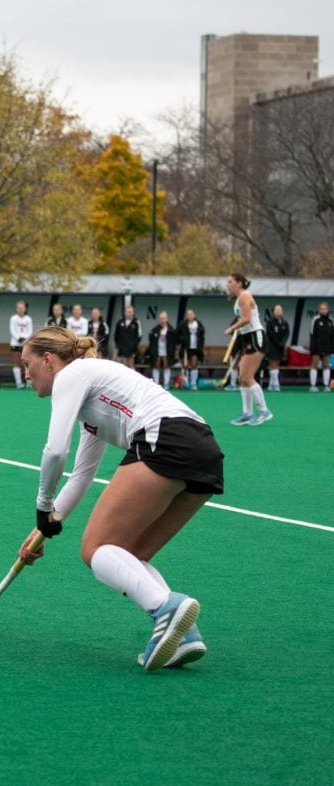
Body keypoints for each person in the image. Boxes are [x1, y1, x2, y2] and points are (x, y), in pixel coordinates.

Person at [17, 326, 223, 672]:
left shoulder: (73, 375)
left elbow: (55, 451)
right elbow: (81, 475)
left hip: (164, 437)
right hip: (203, 449)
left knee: (94, 548)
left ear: (48, 360)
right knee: (128, 555)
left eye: (27, 363)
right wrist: (47, 524)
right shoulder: (91, 401)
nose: (26, 374)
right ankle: (184, 635)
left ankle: (166, 608)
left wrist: (42, 505)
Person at [223, 274, 272, 424]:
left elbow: (246, 319)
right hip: (247, 338)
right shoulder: (239, 299)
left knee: (247, 377)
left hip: (255, 337)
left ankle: (264, 411)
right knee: (242, 378)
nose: (228, 285)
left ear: (239, 283)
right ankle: (247, 413)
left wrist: (231, 328)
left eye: (230, 282)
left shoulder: (245, 296)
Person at [177, 308, 205, 391]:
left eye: (191, 314)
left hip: (195, 348)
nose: (190, 316)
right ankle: (185, 383)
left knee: (194, 365)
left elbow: (202, 336)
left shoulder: (198, 324)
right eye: (188, 314)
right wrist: (182, 341)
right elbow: (177, 335)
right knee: (185, 366)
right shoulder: (182, 325)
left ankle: (193, 384)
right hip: (185, 348)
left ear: (194, 315)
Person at [308, 302, 333, 393]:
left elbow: (332, 336)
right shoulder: (315, 320)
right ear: (319, 310)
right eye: (321, 309)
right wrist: (312, 348)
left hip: (327, 348)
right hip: (317, 348)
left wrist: (332, 348)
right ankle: (313, 385)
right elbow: (312, 335)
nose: (323, 310)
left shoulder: (331, 321)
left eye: (324, 309)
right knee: (314, 365)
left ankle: (326, 386)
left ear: (327, 310)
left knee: (326, 366)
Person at [264, 304, 290, 392]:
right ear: (273, 311)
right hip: (272, 346)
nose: (278, 312)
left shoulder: (284, 323)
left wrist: (282, 343)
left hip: (280, 347)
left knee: (276, 365)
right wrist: (277, 343)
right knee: (273, 364)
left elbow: (287, 334)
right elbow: (270, 334)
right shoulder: (270, 322)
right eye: (276, 310)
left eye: (280, 310)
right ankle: (276, 384)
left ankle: (271, 384)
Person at [8, 300, 33, 389]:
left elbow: (30, 331)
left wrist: (25, 339)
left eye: (22, 308)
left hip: (26, 344)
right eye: (18, 308)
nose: (20, 309)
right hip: (15, 343)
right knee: (16, 362)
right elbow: (12, 330)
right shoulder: (13, 318)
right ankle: (18, 383)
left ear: (25, 309)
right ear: (16, 309)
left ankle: (28, 382)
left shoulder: (28, 319)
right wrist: (19, 338)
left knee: (27, 363)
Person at [147, 310, 174, 390]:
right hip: (157, 350)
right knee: (156, 365)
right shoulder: (155, 329)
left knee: (167, 366)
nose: (162, 320)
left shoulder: (171, 329)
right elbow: (151, 339)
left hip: (167, 351)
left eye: (164, 318)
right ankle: (156, 383)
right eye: (161, 318)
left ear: (167, 319)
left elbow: (174, 340)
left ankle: (166, 384)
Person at [114, 305, 141, 370]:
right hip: (123, 348)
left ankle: (132, 379)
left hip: (132, 348)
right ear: (125, 312)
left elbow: (139, 336)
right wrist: (119, 345)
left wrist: (134, 345)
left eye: (130, 312)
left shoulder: (136, 322)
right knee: (124, 365)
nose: (129, 313)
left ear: (133, 313)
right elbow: (116, 335)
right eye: (127, 312)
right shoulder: (120, 322)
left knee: (131, 363)